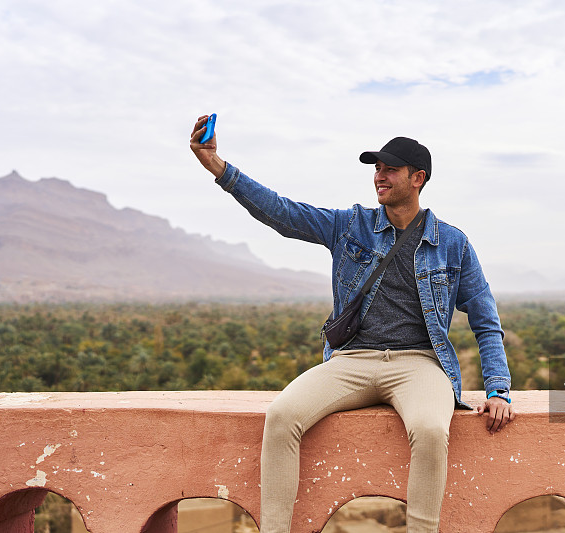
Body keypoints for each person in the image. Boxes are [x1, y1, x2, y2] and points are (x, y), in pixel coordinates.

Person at [190, 115, 515, 533]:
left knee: (432, 430)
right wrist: (218, 166)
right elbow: (282, 212)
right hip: (352, 360)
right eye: (376, 168)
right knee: (282, 416)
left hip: (419, 363)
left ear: (418, 178)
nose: (379, 176)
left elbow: (486, 322)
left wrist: (497, 390)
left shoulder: (452, 243)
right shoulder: (351, 225)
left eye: (389, 169)